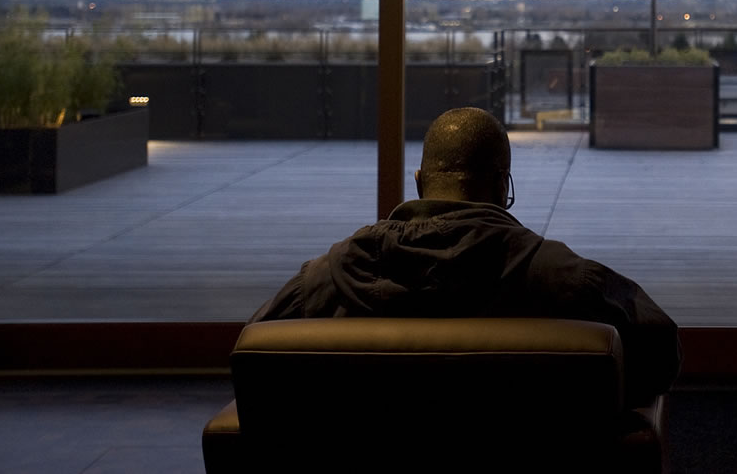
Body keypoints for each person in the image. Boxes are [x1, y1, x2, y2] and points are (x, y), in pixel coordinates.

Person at [248, 106, 681, 406]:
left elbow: (255, 361)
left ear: (419, 183)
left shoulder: (325, 280)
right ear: (501, 185)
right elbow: (661, 354)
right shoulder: (563, 278)